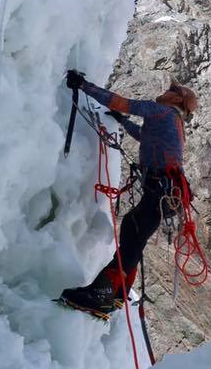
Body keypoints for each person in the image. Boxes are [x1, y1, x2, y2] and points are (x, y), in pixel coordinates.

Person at [60, 70, 198, 316]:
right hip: (165, 193)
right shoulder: (172, 121)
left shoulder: (161, 111)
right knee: (133, 232)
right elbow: (145, 136)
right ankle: (117, 293)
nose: (164, 92)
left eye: (170, 91)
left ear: (177, 99)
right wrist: (122, 122)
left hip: (159, 190)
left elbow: (121, 102)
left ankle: (101, 294)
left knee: (132, 236)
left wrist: (84, 85)